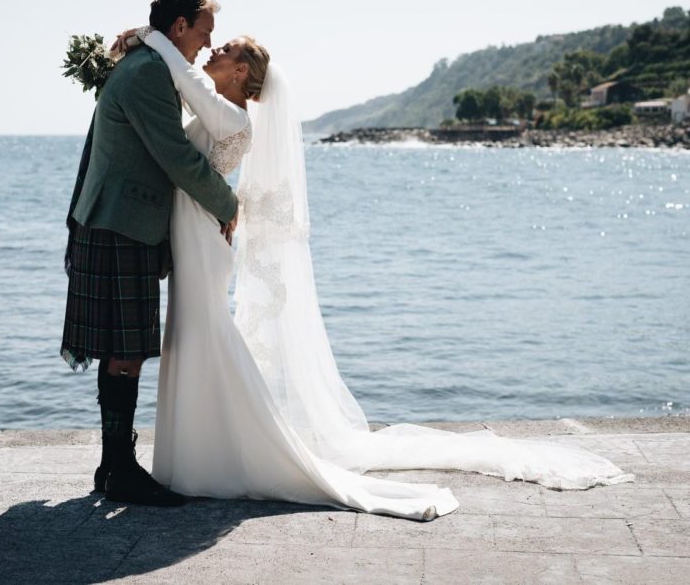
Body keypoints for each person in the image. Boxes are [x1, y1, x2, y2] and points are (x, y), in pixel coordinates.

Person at [110, 26, 633, 521]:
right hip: (193, 234)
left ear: (243, 71)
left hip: (202, 238)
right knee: (190, 335)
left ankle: (234, 452)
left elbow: (185, 83)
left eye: (225, 49)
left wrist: (151, 39)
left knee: (204, 334)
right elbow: (174, 106)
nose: (214, 51)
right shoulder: (217, 104)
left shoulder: (234, 117)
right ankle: (197, 454)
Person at [61, 0, 238, 507]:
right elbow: (176, 157)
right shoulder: (145, 75)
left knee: (122, 350)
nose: (207, 45)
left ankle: (112, 465)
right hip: (120, 226)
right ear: (179, 27)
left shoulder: (144, 63)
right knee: (127, 352)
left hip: (116, 223)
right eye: (203, 32)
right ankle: (120, 471)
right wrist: (228, 204)